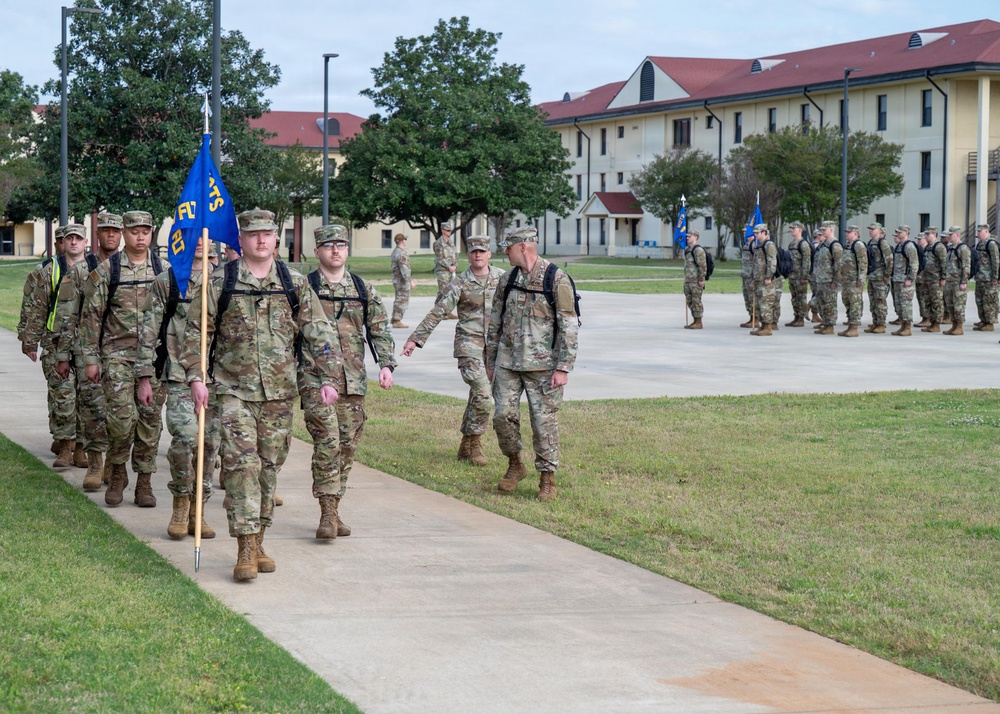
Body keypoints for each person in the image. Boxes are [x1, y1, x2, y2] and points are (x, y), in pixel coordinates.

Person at [180, 209, 341, 582]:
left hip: (279, 394)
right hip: (232, 390)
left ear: (275, 238)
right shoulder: (219, 281)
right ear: (242, 239)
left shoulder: (293, 282)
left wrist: (329, 375)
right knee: (242, 468)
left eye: (267, 234)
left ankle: (261, 537)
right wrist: (195, 377)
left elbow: (319, 331)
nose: (261, 240)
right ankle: (245, 546)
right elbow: (196, 333)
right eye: (253, 235)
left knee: (269, 470)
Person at [301, 224, 395, 540]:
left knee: (347, 446)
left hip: (352, 380)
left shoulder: (362, 288)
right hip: (314, 378)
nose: (336, 250)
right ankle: (327, 514)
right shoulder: (305, 288)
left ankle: (335, 506)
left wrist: (386, 364)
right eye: (328, 245)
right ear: (317, 252)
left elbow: (379, 329)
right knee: (327, 442)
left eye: (341, 244)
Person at [79, 211, 169, 507]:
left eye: (145, 231)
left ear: (152, 233)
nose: (140, 236)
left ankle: (144, 480)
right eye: (134, 231)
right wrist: (91, 359)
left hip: (154, 360)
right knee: (119, 420)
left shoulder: (164, 270)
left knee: (149, 421)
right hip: (117, 356)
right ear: (124, 234)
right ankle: (117, 471)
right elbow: (91, 317)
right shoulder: (109, 270)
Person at [485, 226, 578, 501]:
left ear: (523, 246)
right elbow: (495, 322)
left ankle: (547, 478)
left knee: (543, 423)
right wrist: (490, 360)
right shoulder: (507, 279)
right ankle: (515, 464)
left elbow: (569, 326)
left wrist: (563, 367)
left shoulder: (556, 278)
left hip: (543, 367)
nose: (505, 252)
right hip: (508, 363)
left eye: (508, 247)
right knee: (503, 416)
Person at [136, 238, 220, 540]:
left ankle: (200, 510)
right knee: (185, 438)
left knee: (211, 444)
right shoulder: (168, 281)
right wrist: (145, 375)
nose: (200, 242)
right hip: (178, 375)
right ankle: (181, 503)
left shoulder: (224, 280)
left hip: (219, 378)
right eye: (193, 234)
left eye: (205, 236)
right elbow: (148, 330)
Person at [402, 235, 505, 465]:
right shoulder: (459, 283)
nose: (478, 255)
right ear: (467, 255)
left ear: (489, 254)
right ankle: (476, 443)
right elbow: (438, 311)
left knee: (480, 394)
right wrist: (415, 339)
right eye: (473, 251)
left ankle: (466, 442)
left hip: (495, 348)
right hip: (468, 344)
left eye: (482, 251)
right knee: (481, 391)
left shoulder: (502, 278)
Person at [54, 212, 123, 489]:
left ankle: (115, 465)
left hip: (122, 352)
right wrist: (62, 355)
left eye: (115, 231)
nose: (110, 235)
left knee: (120, 413)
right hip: (88, 351)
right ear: (97, 235)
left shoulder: (131, 269)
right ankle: (95, 463)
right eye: (105, 230)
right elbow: (67, 315)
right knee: (93, 409)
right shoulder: (82, 270)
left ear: (121, 235)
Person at [22, 225, 86, 468]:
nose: (73, 243)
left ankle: (81, 447)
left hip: (85, 344)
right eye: (69, 238)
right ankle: (65, 445)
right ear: (63, 242)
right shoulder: (50, 271)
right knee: (62, 396)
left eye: (78, 238)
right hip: (54, 341)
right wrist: (30, 340)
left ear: (85, 242)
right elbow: (37, 308)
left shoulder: (95, 269)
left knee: (86, 398)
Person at [749, 224, 779, 336]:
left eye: (758, 233)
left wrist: (768, 277)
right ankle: (763, 325)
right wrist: (754, 278)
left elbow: (772, 261)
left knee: (766, 303)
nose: (756, 235)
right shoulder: (759, 245)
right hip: (758, 279)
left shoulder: (769, 245)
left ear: (765, 233)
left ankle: (768, 327)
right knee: (760, 304)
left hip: (765, 280)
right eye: (755, 233)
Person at [838, 225, 867, 337]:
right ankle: (850, 325)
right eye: (846, 232)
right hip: (846, 280)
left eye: (849, 232)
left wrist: (861, 280)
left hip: (854, 281)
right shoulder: (848, 246)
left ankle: (854, 327)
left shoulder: (859, 245)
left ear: (855, 233)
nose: (846, 234)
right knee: (847, 302)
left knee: (855, 303)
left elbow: (863, 264)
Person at [813, 221, 842, 335]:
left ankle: (830, 325)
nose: (822, 232)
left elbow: (838, 265)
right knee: (822, 303)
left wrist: (835, 281)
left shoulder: (835, 245)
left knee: (830, 303)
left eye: (824, 230)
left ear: (831, 229)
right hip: (821, 279)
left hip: (829, 280)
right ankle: (825, 322)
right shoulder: (823, 244)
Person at [942, 226, 971, 336]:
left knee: (959, 305)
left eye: (951, 234)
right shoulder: (950, 248)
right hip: (949, 281)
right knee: (950, 305)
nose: (949, 237)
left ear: (957, 235)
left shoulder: (963, 248)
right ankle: (953, 325)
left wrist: (964, 281)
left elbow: (966, 266)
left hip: (958, 282)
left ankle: (959, 327)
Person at [864, 222, 893, 333]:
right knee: (873, 301)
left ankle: (881, 324)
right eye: (870, 229)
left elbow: (889, 260)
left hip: (880, 277)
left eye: (873, 229)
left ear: (879, 230)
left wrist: (887, 275)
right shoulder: (871, 242)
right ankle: (875, 322)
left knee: (880, 300)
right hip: (872, 276)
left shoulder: (883, 243)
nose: (870, 231)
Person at [890, 225, 919, 335]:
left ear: (906, 232)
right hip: (897, 279)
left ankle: (907, 327)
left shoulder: (909, 246)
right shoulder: (899, 246)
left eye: (900, 232)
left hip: (905, 281)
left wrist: (910, 278)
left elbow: (914, 264)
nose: (897, 233)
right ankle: (902, 325)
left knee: (906, 304)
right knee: (899, 304)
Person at [919, 227, 948, 332]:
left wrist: (943, 277)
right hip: (927, 278)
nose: (926, 236)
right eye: (925, 234)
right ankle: (931, 322)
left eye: (928, 234)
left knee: (937, 301)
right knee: (928, 301)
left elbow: (944, 263)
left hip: (936, 279)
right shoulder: (927, 247)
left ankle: (937, 324)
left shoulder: (939, 247)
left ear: (935, 234)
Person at [973, 223, 1000, 331]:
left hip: (989, 278)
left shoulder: (991, 244)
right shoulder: (980, 244)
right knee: (980, 300)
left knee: (989, 301)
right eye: (977, 231)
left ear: (986, 231)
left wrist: (995, 277)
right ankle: (983, 320)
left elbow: (996, 261)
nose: (978, 234)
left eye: (980, 231)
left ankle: (990, 323)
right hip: (980, 277)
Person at [785, 221, 810, 327]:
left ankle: (801, 318)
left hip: (800, 276)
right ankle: (796, 316)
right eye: (791, 228)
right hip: (792, 275)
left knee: (801, 297)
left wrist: (804, 276)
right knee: (794, 297)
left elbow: (806, 261)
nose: (791, 230)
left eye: (793, 228)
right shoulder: (792, 244)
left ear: (800, 230)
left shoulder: (803, 244)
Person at [681, 230, 707, 329]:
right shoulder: (688, 250)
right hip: (688, 280)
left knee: (696, 301)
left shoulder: (698, 250)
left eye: (689, 236)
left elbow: (702, 266)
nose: (687, 238)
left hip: (696, 281)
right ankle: (694, 320)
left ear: (695, 237)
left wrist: (701, 279)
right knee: (690, 301)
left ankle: (699, 321)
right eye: (687, 236)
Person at [390, 233, 416, 328]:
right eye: (405, 239)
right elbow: (404, 269)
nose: (405, 241)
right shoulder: (401, 253)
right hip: (402, 281)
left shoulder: (395, 252)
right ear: (402, 241)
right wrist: (410, 281)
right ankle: (397, 320)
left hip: (397, 280)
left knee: (399, 299)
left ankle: (395, 319)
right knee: (402, 300)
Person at [433, 220, 458, 318]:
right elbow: (439, 258)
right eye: (447, 230)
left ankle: (447, 311)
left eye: (450, 230)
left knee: (449, 291)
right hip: (442, 271)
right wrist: (449, 266)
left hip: (451, 271)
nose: (449, 232)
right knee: (443, 290)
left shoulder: (451, 242)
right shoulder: (438, 243)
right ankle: (438, 311)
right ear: (443, 230)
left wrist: (455, 265)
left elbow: (455, 255)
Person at [739, 233, 757, 328]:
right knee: (747, 298)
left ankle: (756, 319)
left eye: (746, 232)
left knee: (752, 297)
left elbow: (757, 260)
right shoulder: (746, 244)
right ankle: (751, 317)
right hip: (745, 275)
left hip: (751, 275)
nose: (745, 233)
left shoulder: (754, 245)